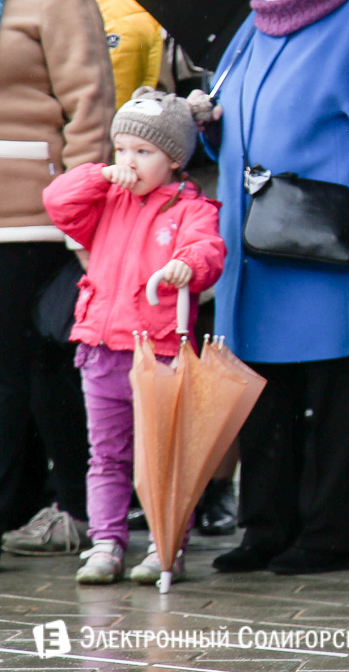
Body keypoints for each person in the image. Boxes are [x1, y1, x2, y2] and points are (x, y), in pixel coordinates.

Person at [207, 0, 349, 576]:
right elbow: (232, 135)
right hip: (253, 247)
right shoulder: (251, 22)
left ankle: (330, 533)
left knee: (338, 392)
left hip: (328, 246)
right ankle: (267, 527)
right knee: (264, 394)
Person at [41, 88, 225, 585]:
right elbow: (58, 203)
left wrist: (186, 265)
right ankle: (107, 542)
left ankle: (167, 545)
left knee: (162, 457)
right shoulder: (107, 199)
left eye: (143, 152)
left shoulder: (191, 207)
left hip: (158, 349)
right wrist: (98, 174)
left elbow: (208, 249)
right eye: (122, 150)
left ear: (174, 158)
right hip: (100, 349)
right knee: (106, 454)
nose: (129, 161)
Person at [0, 0, 115, 560]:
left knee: (32, 373)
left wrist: (82, 213)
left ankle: (76, 507)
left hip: (36, 221)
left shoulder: (57, 3)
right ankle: (23, 508)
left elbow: (89, 105)